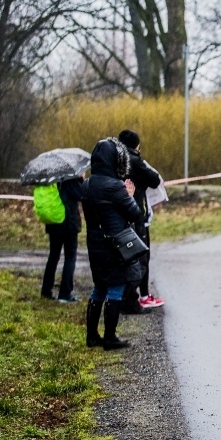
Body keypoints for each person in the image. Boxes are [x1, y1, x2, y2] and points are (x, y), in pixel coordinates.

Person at [81, 137, 144, 350]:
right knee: (116, 287)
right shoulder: (115, 187)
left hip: (94, 243)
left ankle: (92, 336)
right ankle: (110, 337)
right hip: (115, 245)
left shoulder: (87, 185)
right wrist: (130, 195)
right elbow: (135, 214)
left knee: (99, 287)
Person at [118, 129, 164, 313]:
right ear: (136, 145)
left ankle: (136, 296)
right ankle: (132, 299)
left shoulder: (115, 159)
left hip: (119, 215)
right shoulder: (134, 161)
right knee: (141, 258)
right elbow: (154, 180)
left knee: (126, 257)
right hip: (136, 214)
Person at [41, 177, 84, 302]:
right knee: (70, 257)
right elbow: (81, 195)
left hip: (53, 222)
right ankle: (65, 293)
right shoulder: (71, 179)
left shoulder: (51, 179)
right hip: (69, 223)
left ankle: (46, 290)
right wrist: (81, 179)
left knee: (53, 256)